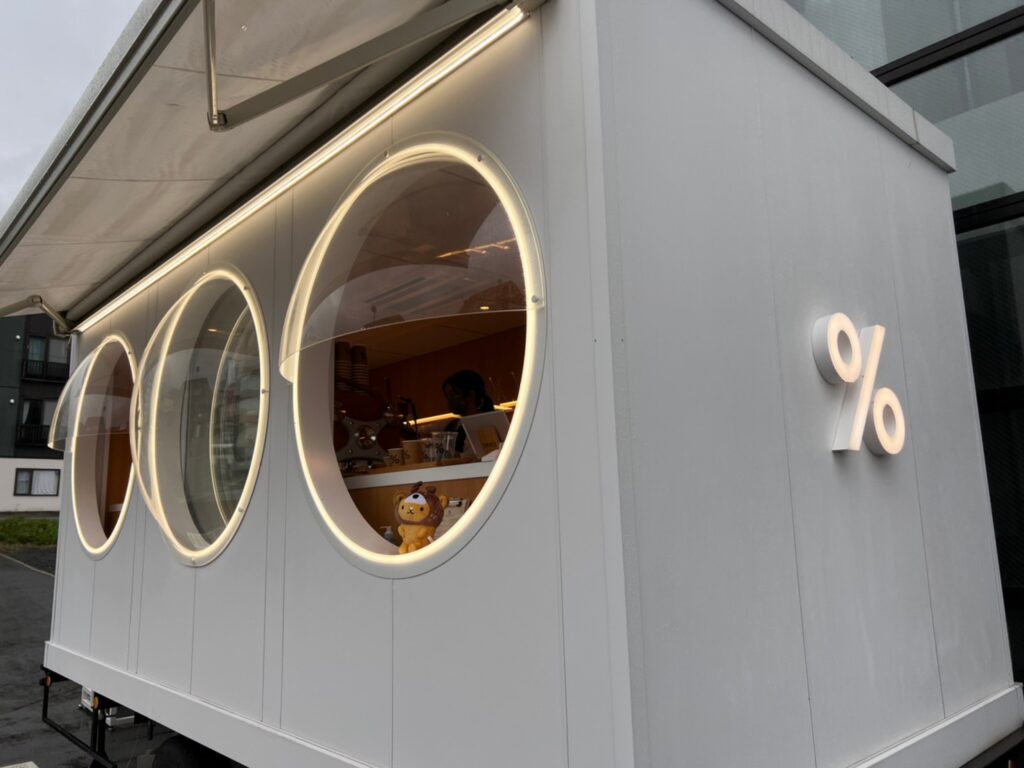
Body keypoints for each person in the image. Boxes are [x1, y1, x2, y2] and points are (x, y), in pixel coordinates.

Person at [441, 370, 494, 454]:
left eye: (454, 395)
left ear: (471, 395)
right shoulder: (454, 424)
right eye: (447, 396)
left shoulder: (485, 424)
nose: (449, 401)